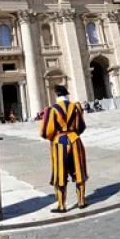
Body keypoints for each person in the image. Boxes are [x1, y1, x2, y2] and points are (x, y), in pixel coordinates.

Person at [40, 85, 89, 213]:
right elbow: (81, 127)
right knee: (79, 170)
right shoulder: (76, 107)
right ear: (67, 94)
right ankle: (81, 201)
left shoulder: (52, 110)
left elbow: (46, 131)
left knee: (59, 173)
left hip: (59, 142)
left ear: (56, 95)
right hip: (75, 140)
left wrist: (54, 137)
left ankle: (62, 205)